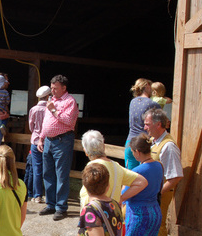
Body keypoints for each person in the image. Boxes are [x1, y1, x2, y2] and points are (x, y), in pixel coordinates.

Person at [143, 108, 183, 236]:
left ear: (158, 124)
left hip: (159, 194)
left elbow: (175, 176)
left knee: (159, 228)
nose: (145, 127)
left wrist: (157, 193)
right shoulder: (154, 141)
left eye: (147, 124)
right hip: (151, 193)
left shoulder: (168, 146)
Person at [37, 75, 79, 221]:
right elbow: (46, 121)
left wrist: (54, 110)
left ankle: (61, 207)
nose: (52, 91)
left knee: (61, 174)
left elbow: (69, 121)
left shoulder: (70, 101)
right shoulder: (52, 100)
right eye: (51, 88)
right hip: (48, 140)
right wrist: (41, 138)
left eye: (55, 88)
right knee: (47, 173)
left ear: (63, 88)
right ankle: (51, 204)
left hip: (62, 140)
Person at [78, 130, 147, 208]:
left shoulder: (91, 167)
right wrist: (121, 198)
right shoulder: (116, 166)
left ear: (85, 151)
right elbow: (142, 182)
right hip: (112, 214)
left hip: (93, 214)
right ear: (103, 147)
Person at [124, 78, 159, 169]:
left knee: (130, 176)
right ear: (147, 85)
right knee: (143, 177)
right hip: (143, 143)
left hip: (130, 142)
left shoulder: (132, 102)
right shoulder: (152, 104)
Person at [28, 85, 50, 203]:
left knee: (37, 169)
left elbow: (31, 126)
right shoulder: (50, 109)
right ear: (48, 96)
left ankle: (37, 195)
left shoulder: (33, 109)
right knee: (49, 168)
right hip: (48, 141)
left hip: (36, 140)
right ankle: (50, 196)